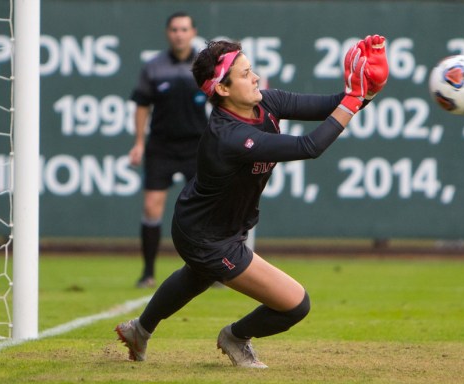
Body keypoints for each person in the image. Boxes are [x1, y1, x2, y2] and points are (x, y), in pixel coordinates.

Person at [116, 35, 389, 368]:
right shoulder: (229, 136)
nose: (256, 77)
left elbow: (331, 106)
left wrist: (368, 90)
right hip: (206, 237)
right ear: (223, 90)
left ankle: (139, 330)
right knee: (295, 304)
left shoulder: (266, 103)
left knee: (197, 276)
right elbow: (309, 147)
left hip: (213, 226)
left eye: (251, 69)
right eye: (245, 74)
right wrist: (354, 98)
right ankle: (235, 336)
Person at [128, 12, 208, 289]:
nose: (179, 34)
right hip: (161, 145)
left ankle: (211, 269)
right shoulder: (154, 66)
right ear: (167, 33)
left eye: (184, 29)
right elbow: (141, 105)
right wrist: (139, 142)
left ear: (193, 32)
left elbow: (224, 100)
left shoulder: (204, 65)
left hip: (197, 145)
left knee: (205, 211)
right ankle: (148, 272)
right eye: (174, 29)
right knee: (151, 207)